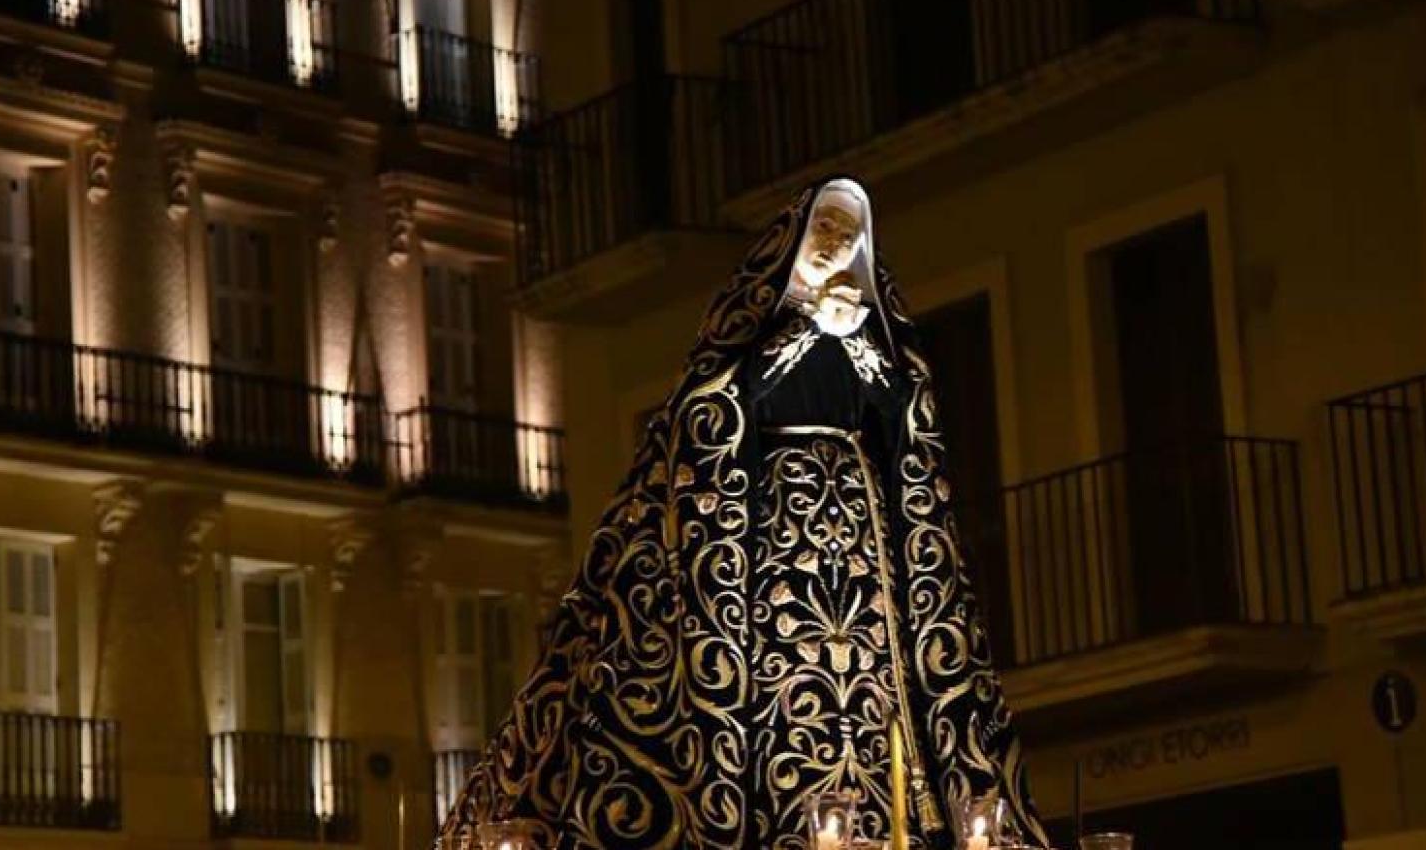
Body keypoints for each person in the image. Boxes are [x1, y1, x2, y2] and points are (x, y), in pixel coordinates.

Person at [439, 177, 1046, 849]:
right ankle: (784, 816)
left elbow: (910, 427)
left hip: (862, 536)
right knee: (787, 683)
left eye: (848, 237)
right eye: (825, 232)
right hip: (776, 543)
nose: (837, 247)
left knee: (874, 688)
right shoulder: (750, 338)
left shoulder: (879, 341)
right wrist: (805, 337)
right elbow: (706, 416)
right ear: (793, 245)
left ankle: (887, 817)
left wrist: (860, 350)